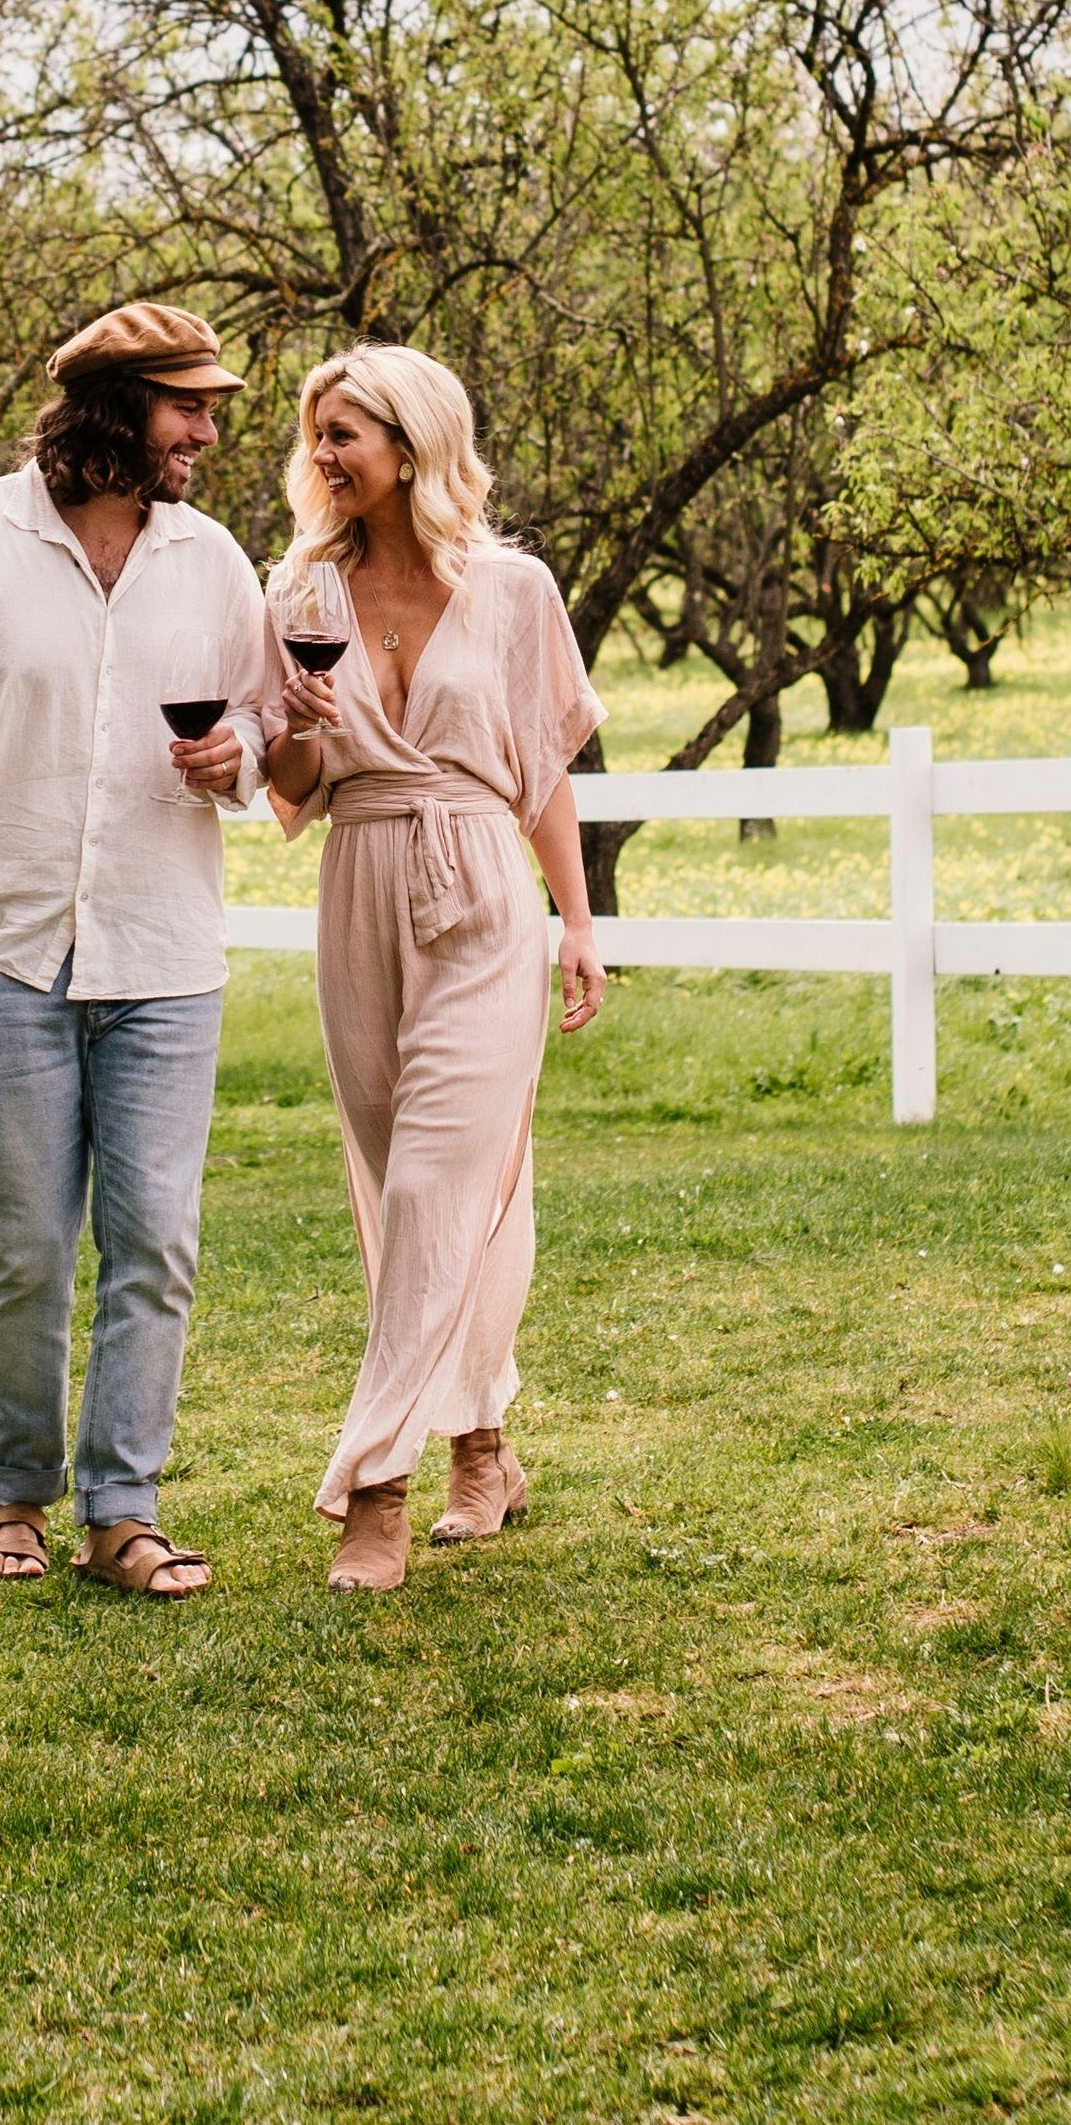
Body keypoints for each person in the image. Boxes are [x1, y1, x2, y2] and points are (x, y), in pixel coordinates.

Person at [0, 301, 267, 1599]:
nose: (205, 429)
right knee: (27, 1243)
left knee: (154, 1243)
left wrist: (240, 756)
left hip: (162, 952)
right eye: (184, 405)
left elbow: (265, 725)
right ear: (110, 410)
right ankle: (15, 1500)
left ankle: (122, 1511)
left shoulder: (209, 559)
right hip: (4, 952)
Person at [256, 342, 605, 1593]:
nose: (323, 454)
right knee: (404, 1185)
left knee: (433, 1186)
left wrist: (576, 919)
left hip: (478, 896)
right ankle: (485, 1447)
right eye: (318, 434)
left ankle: (375, 1491)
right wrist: (290, 732)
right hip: (357, 885)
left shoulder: (513, 591)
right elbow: (293, 790)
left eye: (344, 431)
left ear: (411, 444)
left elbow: (544, 770)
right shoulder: (298, 591)